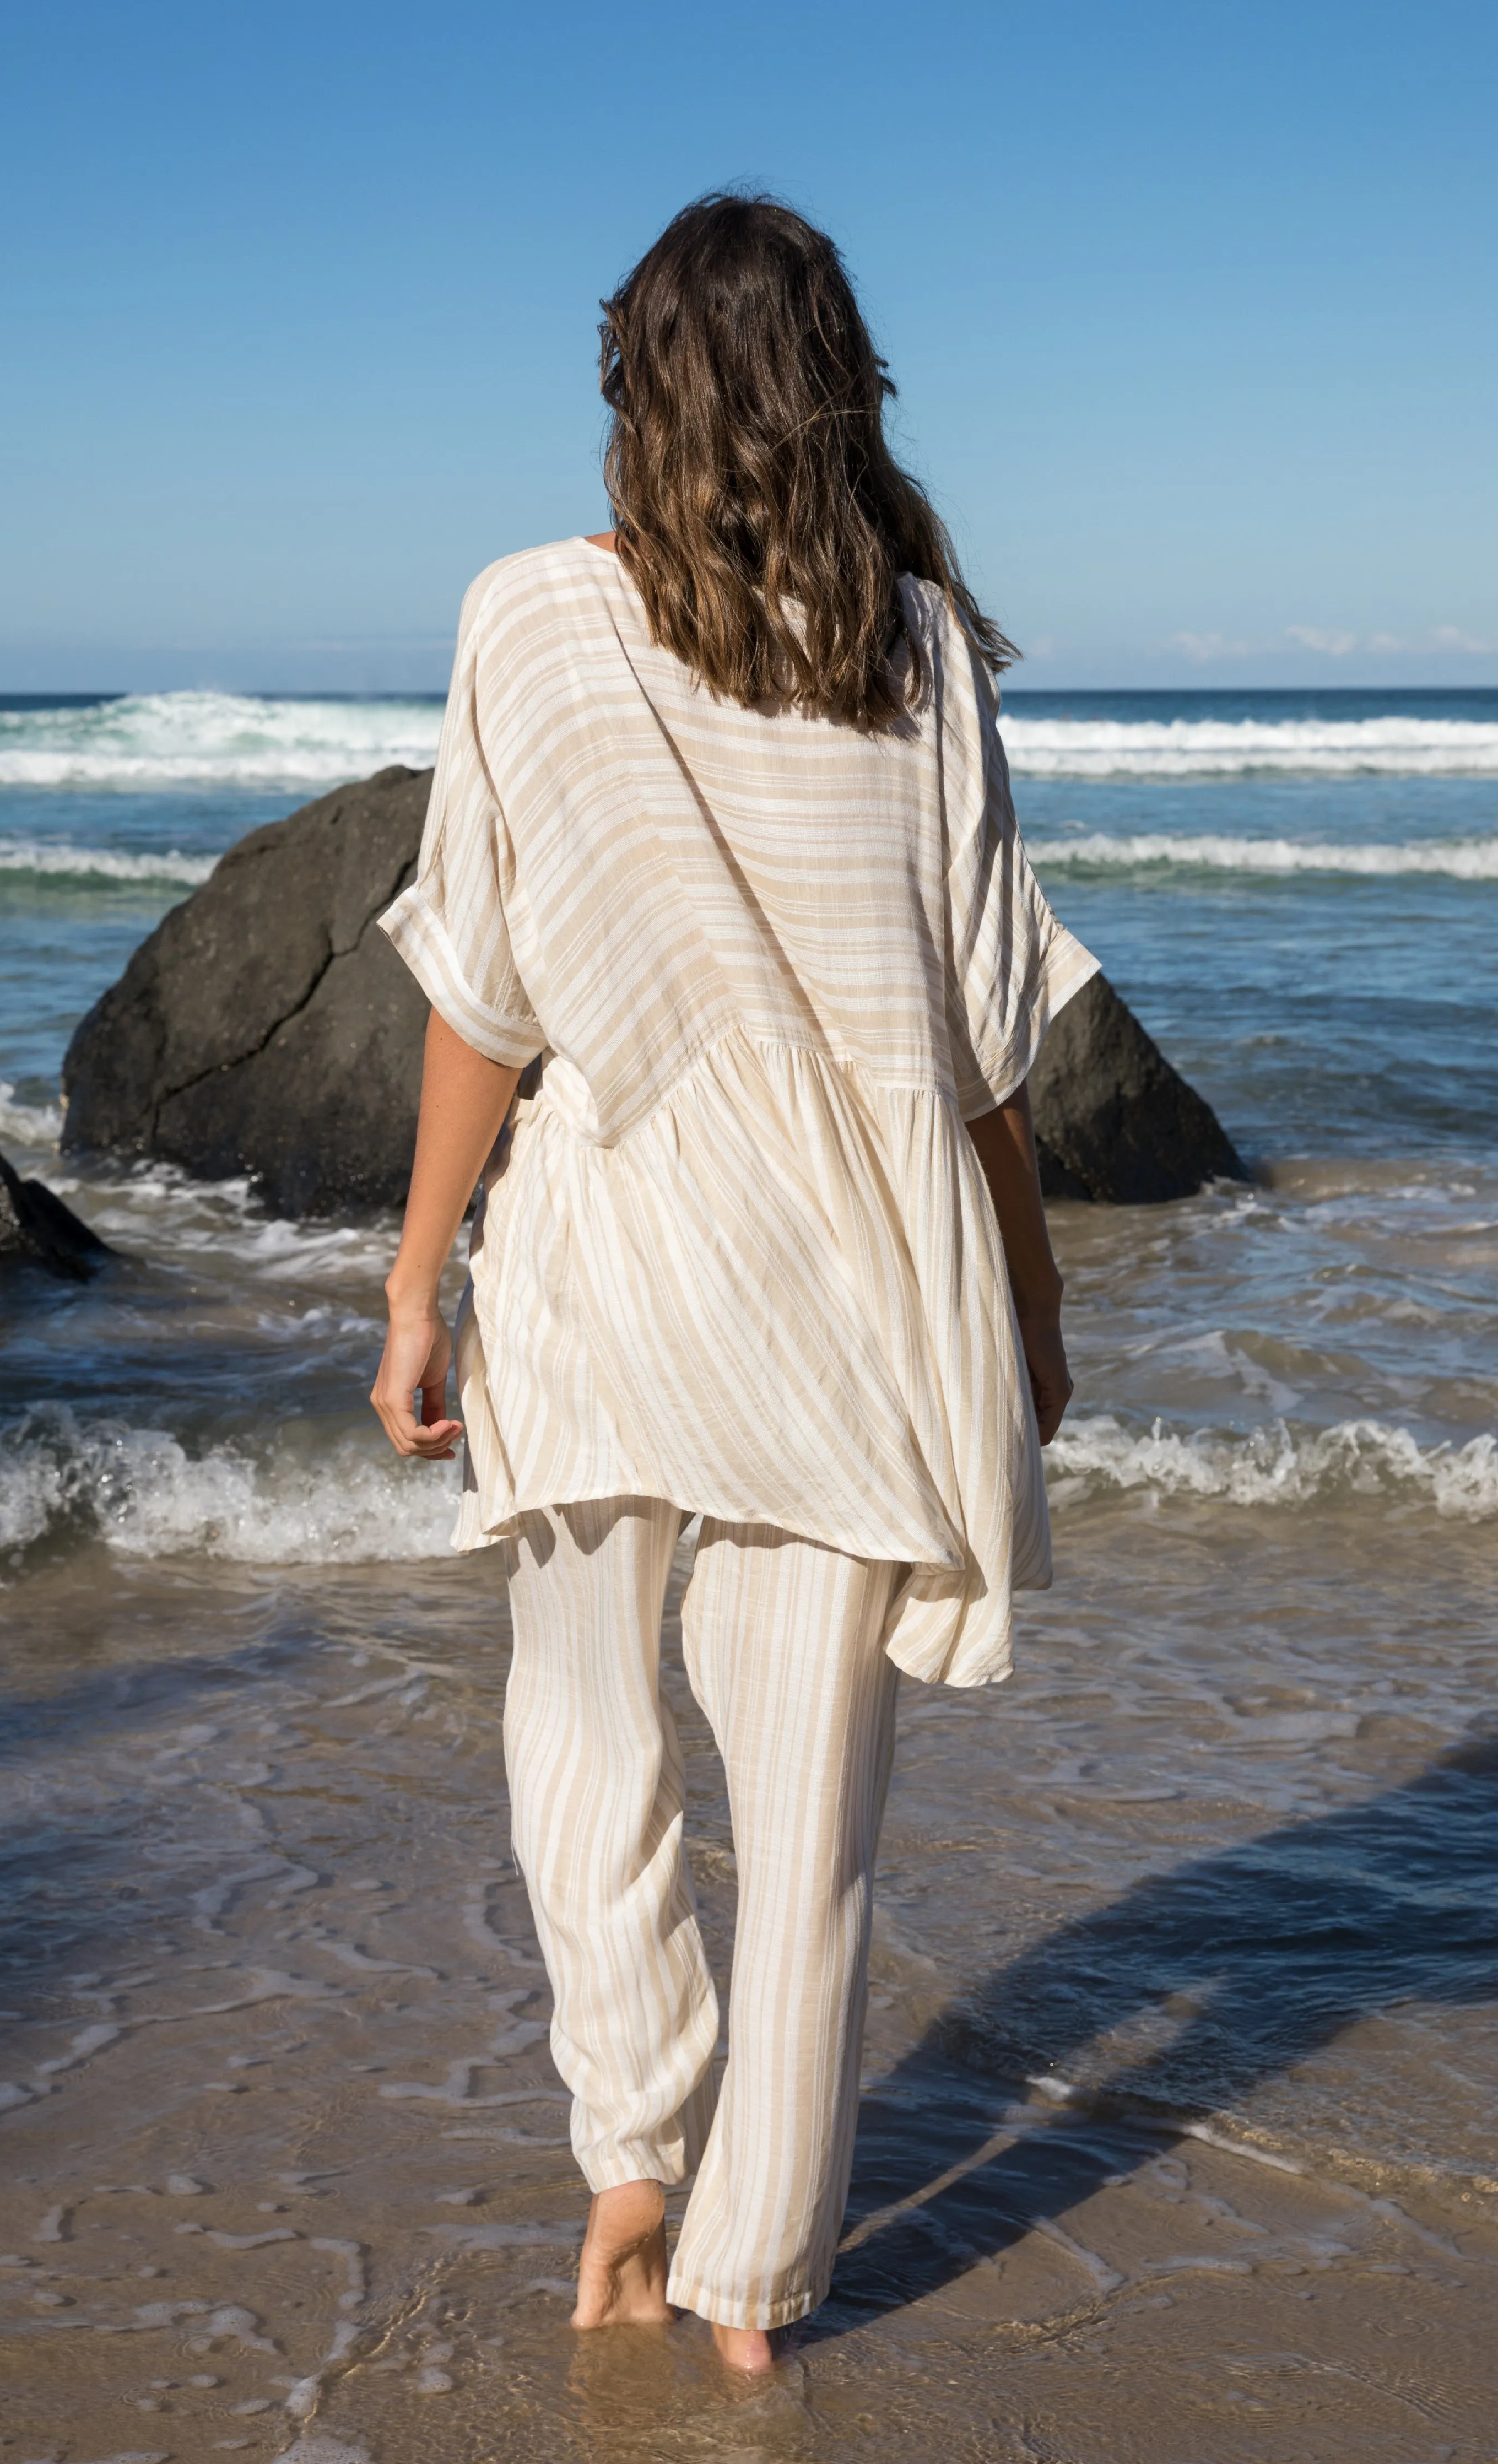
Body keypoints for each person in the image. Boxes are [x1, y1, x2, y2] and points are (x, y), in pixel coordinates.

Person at [370, 192, 1097, 2375]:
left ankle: (629, 2149)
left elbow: (485, 995)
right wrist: (1034, 1302)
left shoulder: (527, 617)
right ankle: (754, 2282)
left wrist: (417, 1281)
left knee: (581, 1736)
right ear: (837, 386)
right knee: (806, 1822)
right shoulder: (919, 646)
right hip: (856, 1302)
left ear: (632, 394)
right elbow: (977, 1036)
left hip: (606, 1280)